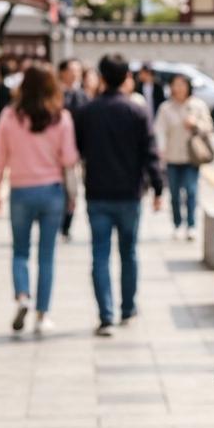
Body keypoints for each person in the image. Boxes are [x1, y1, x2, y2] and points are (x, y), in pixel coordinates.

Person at [75, 54, 165, 336]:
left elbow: (79, 148)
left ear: (101, 77)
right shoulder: (137, 111)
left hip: (97, 192)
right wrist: (158, 188)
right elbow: (150, 153)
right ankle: (128, 308)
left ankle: (106, 316)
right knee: (128, 252)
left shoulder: (88, 111)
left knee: (99, 254)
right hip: (129, 193)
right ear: (127, 77)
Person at [0, 64, 79, 334]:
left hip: (20, 190)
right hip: (51, 191)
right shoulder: (60, 118)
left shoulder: (9, 116)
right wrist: (72, 194)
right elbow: (69, 160)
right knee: (47, 255)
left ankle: (22, 296)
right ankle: (42, 315)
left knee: (20, 251)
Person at [155, 74, 213, 240]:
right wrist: (160, 151)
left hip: (191, 157)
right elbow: (159, 131)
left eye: (182, 85)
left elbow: (208, 127)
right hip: (172, 157)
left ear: (188, 87)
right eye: (175, 85)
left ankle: (191, 225)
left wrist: (195, 124)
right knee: (174, 193)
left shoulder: (197, 106)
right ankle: (177, 224)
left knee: (191, 191)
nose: (179, 88)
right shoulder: (165, 108)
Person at [57, 59, 88, 241]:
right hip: (54, 151)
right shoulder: (55, 94)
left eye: (78, 70)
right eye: (71, 70)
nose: (75, 73)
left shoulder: (82, 96)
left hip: (75, 151)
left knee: (72, 190)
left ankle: (66, 225)